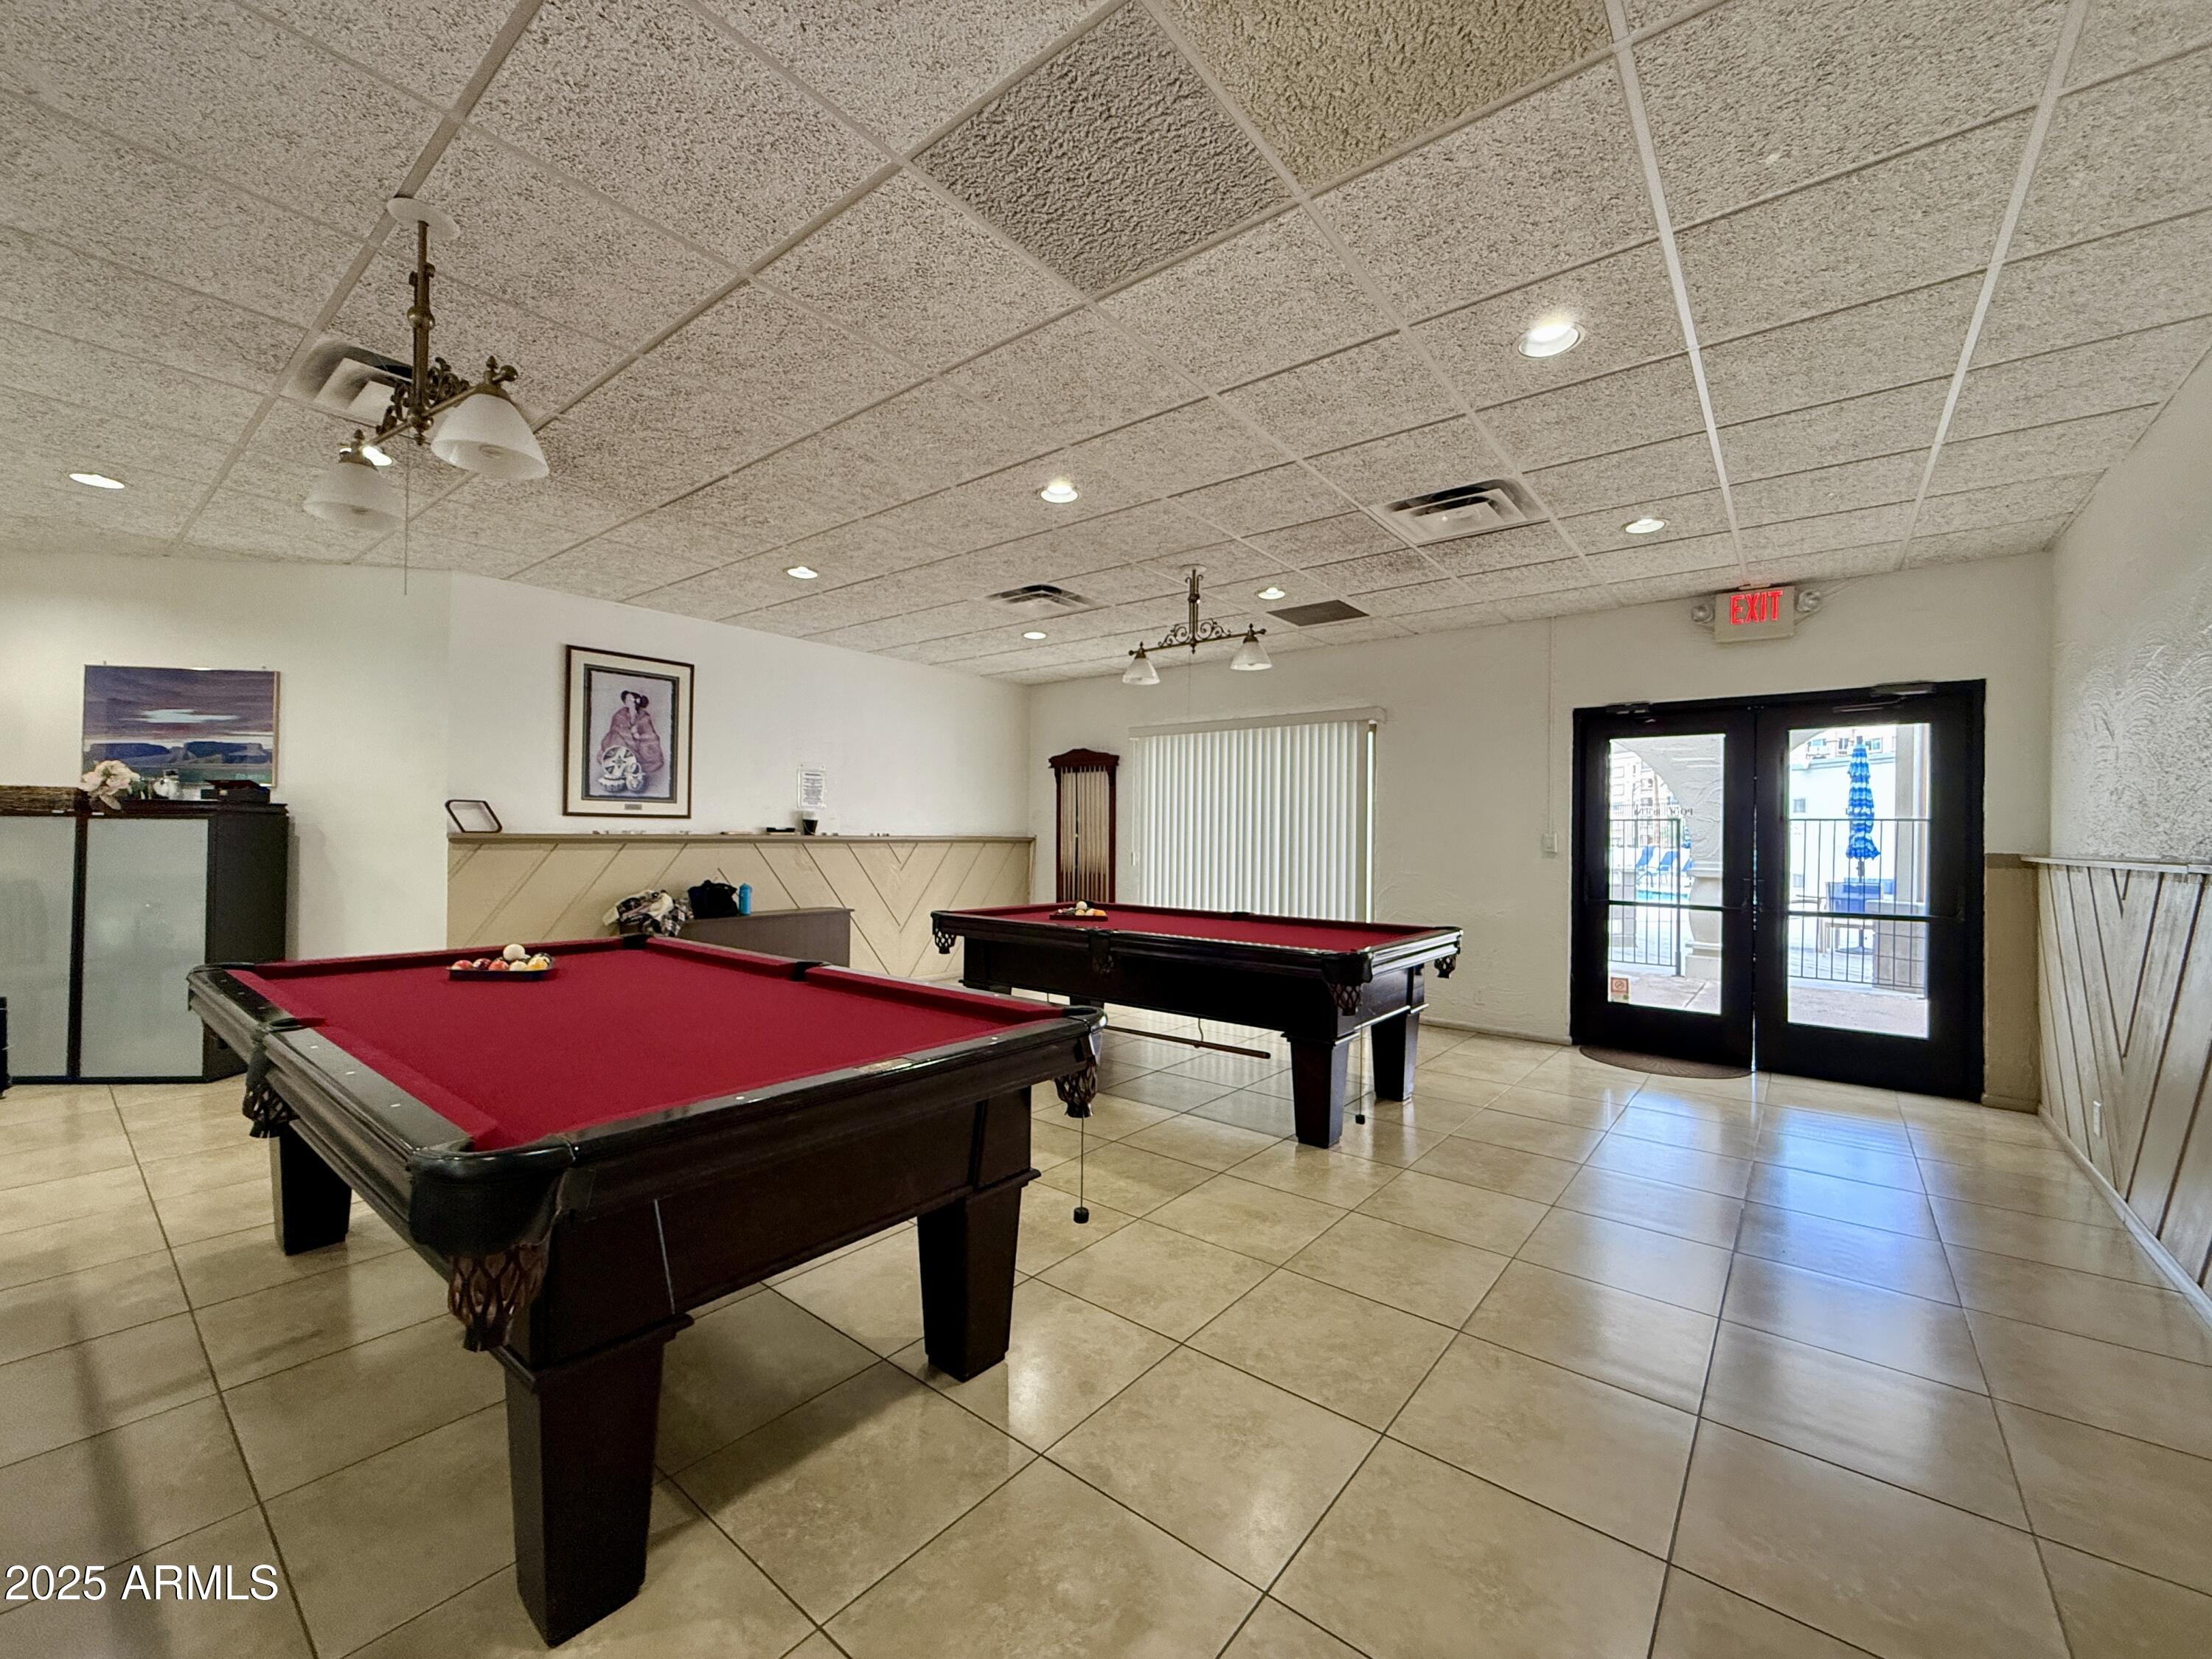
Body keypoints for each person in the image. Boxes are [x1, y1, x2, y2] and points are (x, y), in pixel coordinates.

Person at [599, 689, 664, 785]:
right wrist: (630, 733)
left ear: (637, 702)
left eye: (633, 700)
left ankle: (635, 767)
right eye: (628, 700)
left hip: (640, 744)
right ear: (625, 702)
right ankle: (623, 766)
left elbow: (650, 733)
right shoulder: (619, 715)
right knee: (614, 737)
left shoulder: (644, 716)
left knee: (651, 752)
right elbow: (615, 729)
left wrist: (638, 735)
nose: (630, 703)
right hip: (624, 743)